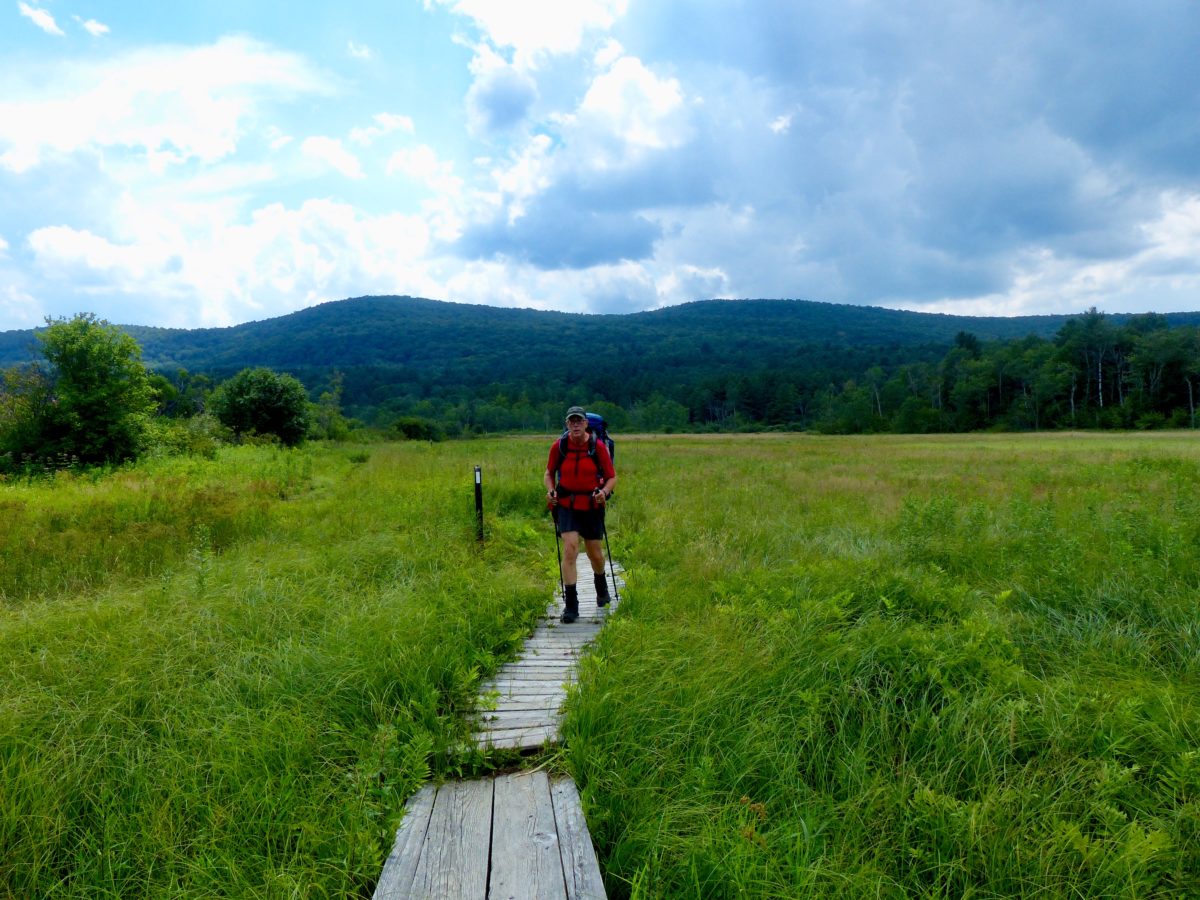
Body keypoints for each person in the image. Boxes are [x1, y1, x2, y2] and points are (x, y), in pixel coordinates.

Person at [545, 406, 618, 623]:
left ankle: (601, 586)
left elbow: (612, 477)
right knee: (570, 549)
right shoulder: (559, 447)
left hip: (592, 504)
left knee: (595, 553)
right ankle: (571, 605)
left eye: (579, 421)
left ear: (586, 423)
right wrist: (550, 491)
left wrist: (604, 492)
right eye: (571, 421)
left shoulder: (598, 447)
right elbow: (549, 472)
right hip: (567, 504)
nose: (575, 424)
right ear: (567, 424)